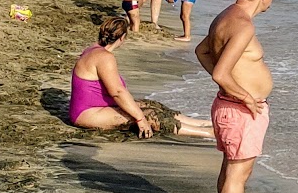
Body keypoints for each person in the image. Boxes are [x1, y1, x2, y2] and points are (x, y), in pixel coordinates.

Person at [195, 0, 282, 193]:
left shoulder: (226, 16)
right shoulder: (243, 25)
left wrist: (235, 93)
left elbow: (201, 51)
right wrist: (245, 96)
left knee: (234, 170)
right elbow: (221, 72)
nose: (272, 0)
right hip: (238, 111)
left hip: (230, 107)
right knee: (236, 172)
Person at [70, 18, 213, 138]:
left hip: (98, 107)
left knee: (151, 104)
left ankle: (202, 122)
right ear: (122, 38)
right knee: (151, 116)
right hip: (88, 113)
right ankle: (207, 133)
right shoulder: (104, 57)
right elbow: (117, 92)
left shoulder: (93, 49)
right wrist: (140, 119)